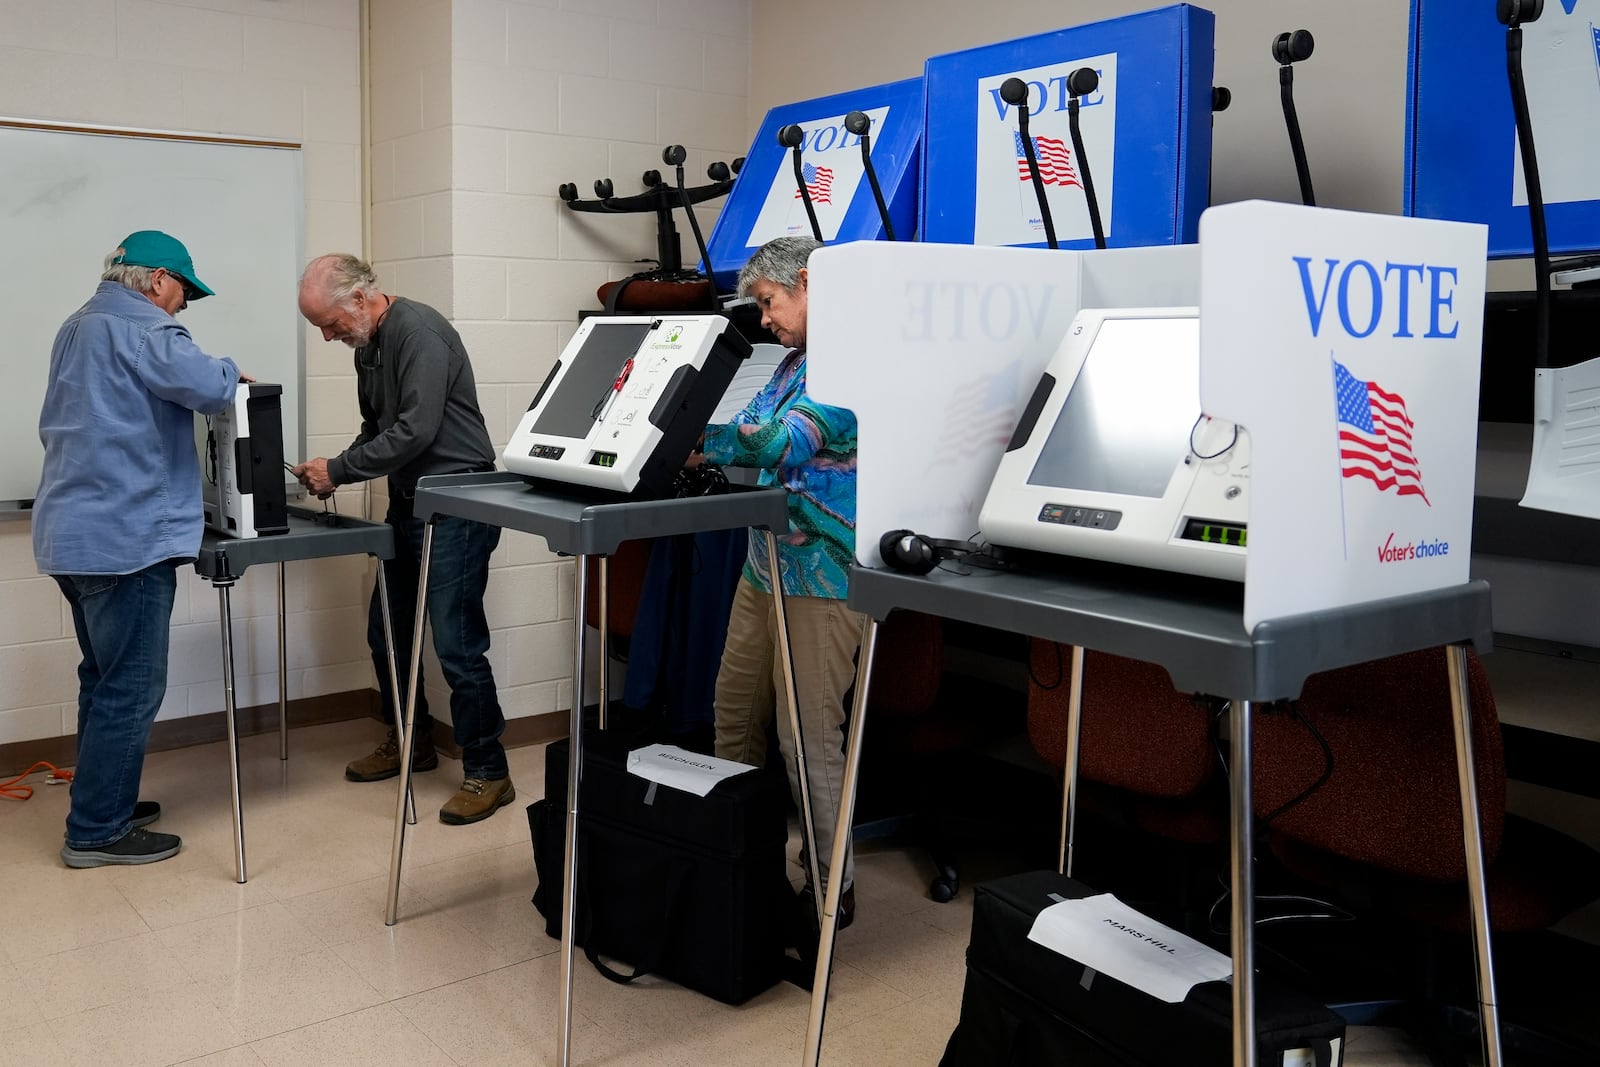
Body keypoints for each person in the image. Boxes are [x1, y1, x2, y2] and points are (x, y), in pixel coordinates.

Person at [34, 231, 241, 868]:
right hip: (128, 542)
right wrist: (234, 372)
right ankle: (97, 831)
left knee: (102, 680)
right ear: (156, 282)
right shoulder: (150, 332)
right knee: (132, 687)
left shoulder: (77, 325)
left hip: (72, 536)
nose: (183, 306)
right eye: (183, 291)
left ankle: (106, 800)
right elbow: (212, 388)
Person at [293, 253, 513, 825]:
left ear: (362, 299)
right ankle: (411, 742)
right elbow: (378, 428)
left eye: (331, 323)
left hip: (460, 502)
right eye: (319, 326)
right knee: (386, 631)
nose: (327, 336)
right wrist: (335, 466)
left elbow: (416, 429)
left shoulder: (419, 331)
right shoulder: (367, 342)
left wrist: (339, 469)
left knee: (457, 644)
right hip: (411, 501)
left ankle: (489, 771)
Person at [699, 236, 864, 927]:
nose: (762, 319)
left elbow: (772, 442)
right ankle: (732, 857)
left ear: (805, 281)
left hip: (822, 578)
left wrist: (700, 434)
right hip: (765, 563)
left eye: (768, 302)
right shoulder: (791, 363)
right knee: (734, 711)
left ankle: (831, 886)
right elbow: (753, 427)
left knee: (806, 738)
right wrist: (731, 432)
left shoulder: (855, 362)